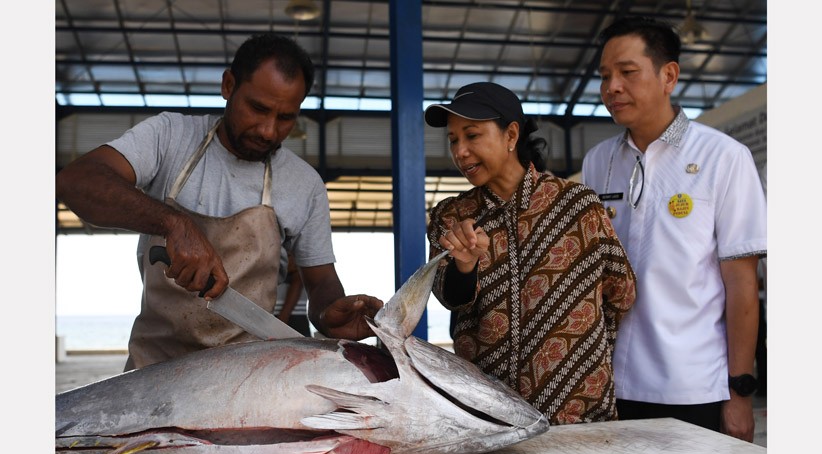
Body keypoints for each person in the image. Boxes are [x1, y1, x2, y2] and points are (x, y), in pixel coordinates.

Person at [55, 33, 383, 371]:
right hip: (151, 370)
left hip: (247, 377)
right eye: (258, 108)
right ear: (228, 85)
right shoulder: (169, 137)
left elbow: (322, 281)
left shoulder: (304, 185)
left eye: (285, 118)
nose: (269, 131)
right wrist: (173, 223)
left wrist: (330, 314)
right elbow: (76, 181)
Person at [580, 16, 767, 442]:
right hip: (608, 384)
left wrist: (739, 392)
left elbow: (741, 286)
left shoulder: (723, 157)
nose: (612, 87)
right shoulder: (597, 162)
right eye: (605, 76)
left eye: (627, 72)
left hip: (692, 384)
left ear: (669, 76)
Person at [424, 82, 637, 425]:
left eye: (472, 135)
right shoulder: (451, 217)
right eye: (453, 140)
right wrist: (465, 268)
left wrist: (580, 355)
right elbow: (448, 297)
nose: (460, 151)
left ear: (511, 135)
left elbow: (621, 293)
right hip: (489, 415)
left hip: (576, 415)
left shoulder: (577, 206)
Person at [276, 252, 311, 337]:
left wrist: (281, 320)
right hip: (278, 318)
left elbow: (296, 287)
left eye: (290, 256)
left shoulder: (299, 275)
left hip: (293, 319)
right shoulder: (276, 274)